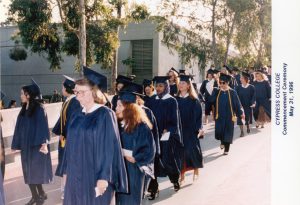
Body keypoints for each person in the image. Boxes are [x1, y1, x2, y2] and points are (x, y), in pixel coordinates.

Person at [63, 67, 128, 205]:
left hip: (95, 174)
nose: (77, 95)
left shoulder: (105, 114)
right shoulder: (76, 114)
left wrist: (104, 177)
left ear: (94, 92)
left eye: (81, 92)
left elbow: (109, 149)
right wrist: (66, 171)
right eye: (76, 92)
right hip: (75, 175)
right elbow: (70, 145)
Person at [11, 79, 53, 205]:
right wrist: (16, 144)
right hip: (26, 147)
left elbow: (43, 127)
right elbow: (19, 127)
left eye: (22, 93)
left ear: (28, 95)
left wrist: (43, 144)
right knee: (28, 173)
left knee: (35, 173)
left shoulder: (39, 109)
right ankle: (38, 194)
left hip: (36, 147)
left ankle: (38, 196)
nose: (20, 96)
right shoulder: (24, 108)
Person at [115, 89, 156, 205]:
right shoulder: (117, 125)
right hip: (119, 169)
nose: (116, 108)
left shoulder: (141, 126)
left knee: (130, 201)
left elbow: (149, 150)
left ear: (128, 108)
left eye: (119, 106)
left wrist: (136, 158)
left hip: (133, 170)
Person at [146, 76, 183, 194]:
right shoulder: (152, 100)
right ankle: (153, 188)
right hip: (153, 135)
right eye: (156, 86)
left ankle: (175, 179)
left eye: (161, 86)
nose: (158, 88)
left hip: (166, 135)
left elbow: (174, 120)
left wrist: (168, 130)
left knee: (168, 160)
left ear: (166, 87)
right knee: (153, 161)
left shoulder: (171, 101)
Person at [52, 75, 81, 200]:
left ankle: (68, 191)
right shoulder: (68, 101)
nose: (61, 88)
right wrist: (57, 131)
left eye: (63, 87)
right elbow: (62, 119)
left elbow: (71, 122)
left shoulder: (74, 102)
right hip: (65, 139)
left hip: (69, 140)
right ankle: (65, 189)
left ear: (67, 88)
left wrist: (65, 135)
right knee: (65, 164)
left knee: (68, 165)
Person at [176, 75, 204, 184]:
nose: (180, 85)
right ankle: (181, 175)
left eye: (183, 83)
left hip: (191, 130)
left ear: (188, 86)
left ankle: (196, 169)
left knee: (192, 151)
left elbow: (198, 117)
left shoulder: (194, 100)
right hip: (179, 130)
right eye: (180, 83)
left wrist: (198, 129)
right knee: (181, 153)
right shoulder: (175, 99)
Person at [213, 73, 244, 155]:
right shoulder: (217, 92)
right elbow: (211, 100)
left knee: (228, 132)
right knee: (220, 131)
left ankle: (226, 149)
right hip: (219, 115)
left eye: (223, 83)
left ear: (227, 83)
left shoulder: (232, 92)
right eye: (220, 82)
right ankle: (222, 142)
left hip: (229, 116)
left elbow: (237, 103)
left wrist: (240, 113)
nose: (222, 84)